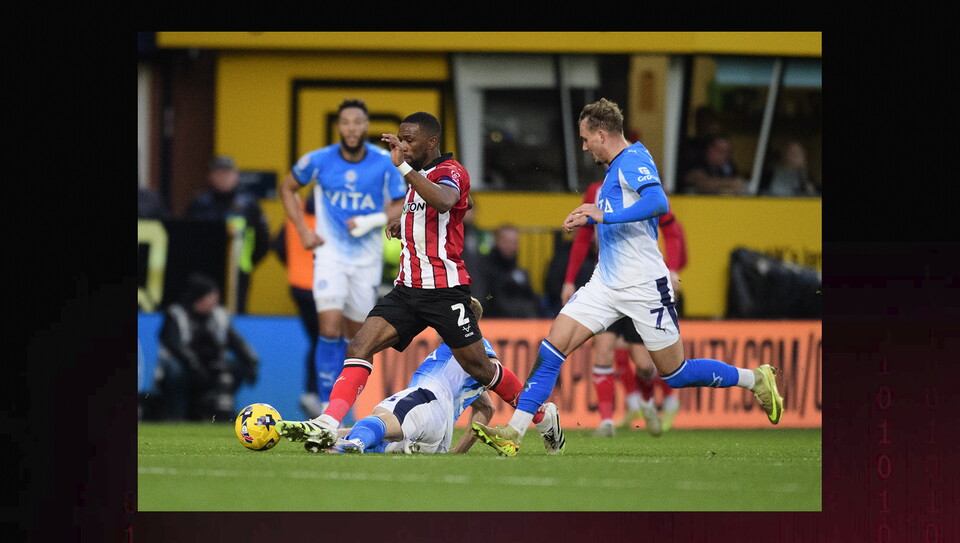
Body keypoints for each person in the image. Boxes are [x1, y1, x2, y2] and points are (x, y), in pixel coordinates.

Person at [472, 98, 784, 456]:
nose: (584, 145)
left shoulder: (633, 160)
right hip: (605, 284)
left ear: (602, 134)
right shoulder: (616, 168)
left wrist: (603, 217)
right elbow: (626, 214)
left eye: (586, 138)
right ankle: (514, 432)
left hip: (643, 286)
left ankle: (755, 379)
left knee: (675, 373)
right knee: (553, 346)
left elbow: (658, 203)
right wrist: (591, 217)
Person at [275, 111, 529, 452]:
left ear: (431, 141)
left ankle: (539, 414)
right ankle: (327, 422)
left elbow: (443, 201)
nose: (403, 146)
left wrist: (403, 169)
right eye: (400, 139)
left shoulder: (450, 171)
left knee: (479, 367)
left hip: (443, 290)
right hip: (408, 290)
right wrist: (401, 221)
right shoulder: (419, 176)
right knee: (358, 346)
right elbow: (424, 212)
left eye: (409, 140)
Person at [278, 99, 408, 419]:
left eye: (358, 122)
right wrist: (302, 231)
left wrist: (370, 221)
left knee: (357, 339)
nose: (352, 128)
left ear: (366, 126)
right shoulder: (319, 160)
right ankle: (326, 410)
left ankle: (348, 405)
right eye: (346, 122)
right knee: (329, 328)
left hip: (365, 262)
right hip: (330, 258)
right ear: (339, 126)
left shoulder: (381, 162)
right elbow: (287, 187)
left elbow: (399, 202)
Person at [315, 298, 564, 455]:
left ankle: (352, 443)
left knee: (382, 417)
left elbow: (491, 366)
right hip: (438, 436)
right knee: (383, 437)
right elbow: (486, 409)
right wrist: (458, 451)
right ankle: (329, 438)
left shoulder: (474, 346)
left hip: (428, 401)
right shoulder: (462, 357)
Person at [561, 179, 687, 437]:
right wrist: (569, 280)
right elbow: (584, 237)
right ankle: (606, 421)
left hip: (640, 286)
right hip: (607, 283)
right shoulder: (594, 190)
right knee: (603, 351)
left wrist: (672, 268)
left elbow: (673, 231)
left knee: (643, 363)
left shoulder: (646, 188)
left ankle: (648, 401)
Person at [152, 272, 259, 421]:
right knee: (174, 368)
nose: (215, 301)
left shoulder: (219, 316)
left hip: (211, 368)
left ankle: (222, 415)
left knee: (235, 368)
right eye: (211, 296)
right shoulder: (176, 314)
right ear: (198, 297)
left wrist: (251, 362)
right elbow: (174, 345)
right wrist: (196, 367)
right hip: (184, 370)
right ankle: (177, 416)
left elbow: (237, 343)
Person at [185, 155, 270, 314]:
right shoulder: (200, 203)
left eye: (227, 173)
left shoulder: (249, 204)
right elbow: (187, 236)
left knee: (234, 314)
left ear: (236, 176)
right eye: (219, 173)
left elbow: (263, 241)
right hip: (204, 272)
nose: (223, 178)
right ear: (210, 176)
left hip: (236, 273)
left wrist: (247, 263)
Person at [271, 192, 324, 418]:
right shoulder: (330, 213)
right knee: (329, 339)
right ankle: (321, 394)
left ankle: (312, 392)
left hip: (298, 287)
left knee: (316, 339)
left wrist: (295, 265)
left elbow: (278, 245)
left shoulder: (298, 211)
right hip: (324, 287)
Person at [476, 224, 541, 318]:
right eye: (507, 241)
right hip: (493, 320)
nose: (511, 246)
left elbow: (532, 297)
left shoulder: (520, 271)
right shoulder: (484, 267)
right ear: (496, 241)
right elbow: (488, 297)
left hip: (522, 321)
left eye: (514, 242)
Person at [681, 134, 749, 196]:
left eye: (728, 152)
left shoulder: (728, 167)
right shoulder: (695, 162)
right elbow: (700, 183)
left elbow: (739, 185)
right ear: (709, 149)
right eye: (721, 151)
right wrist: (729, 183)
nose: (725, 155)